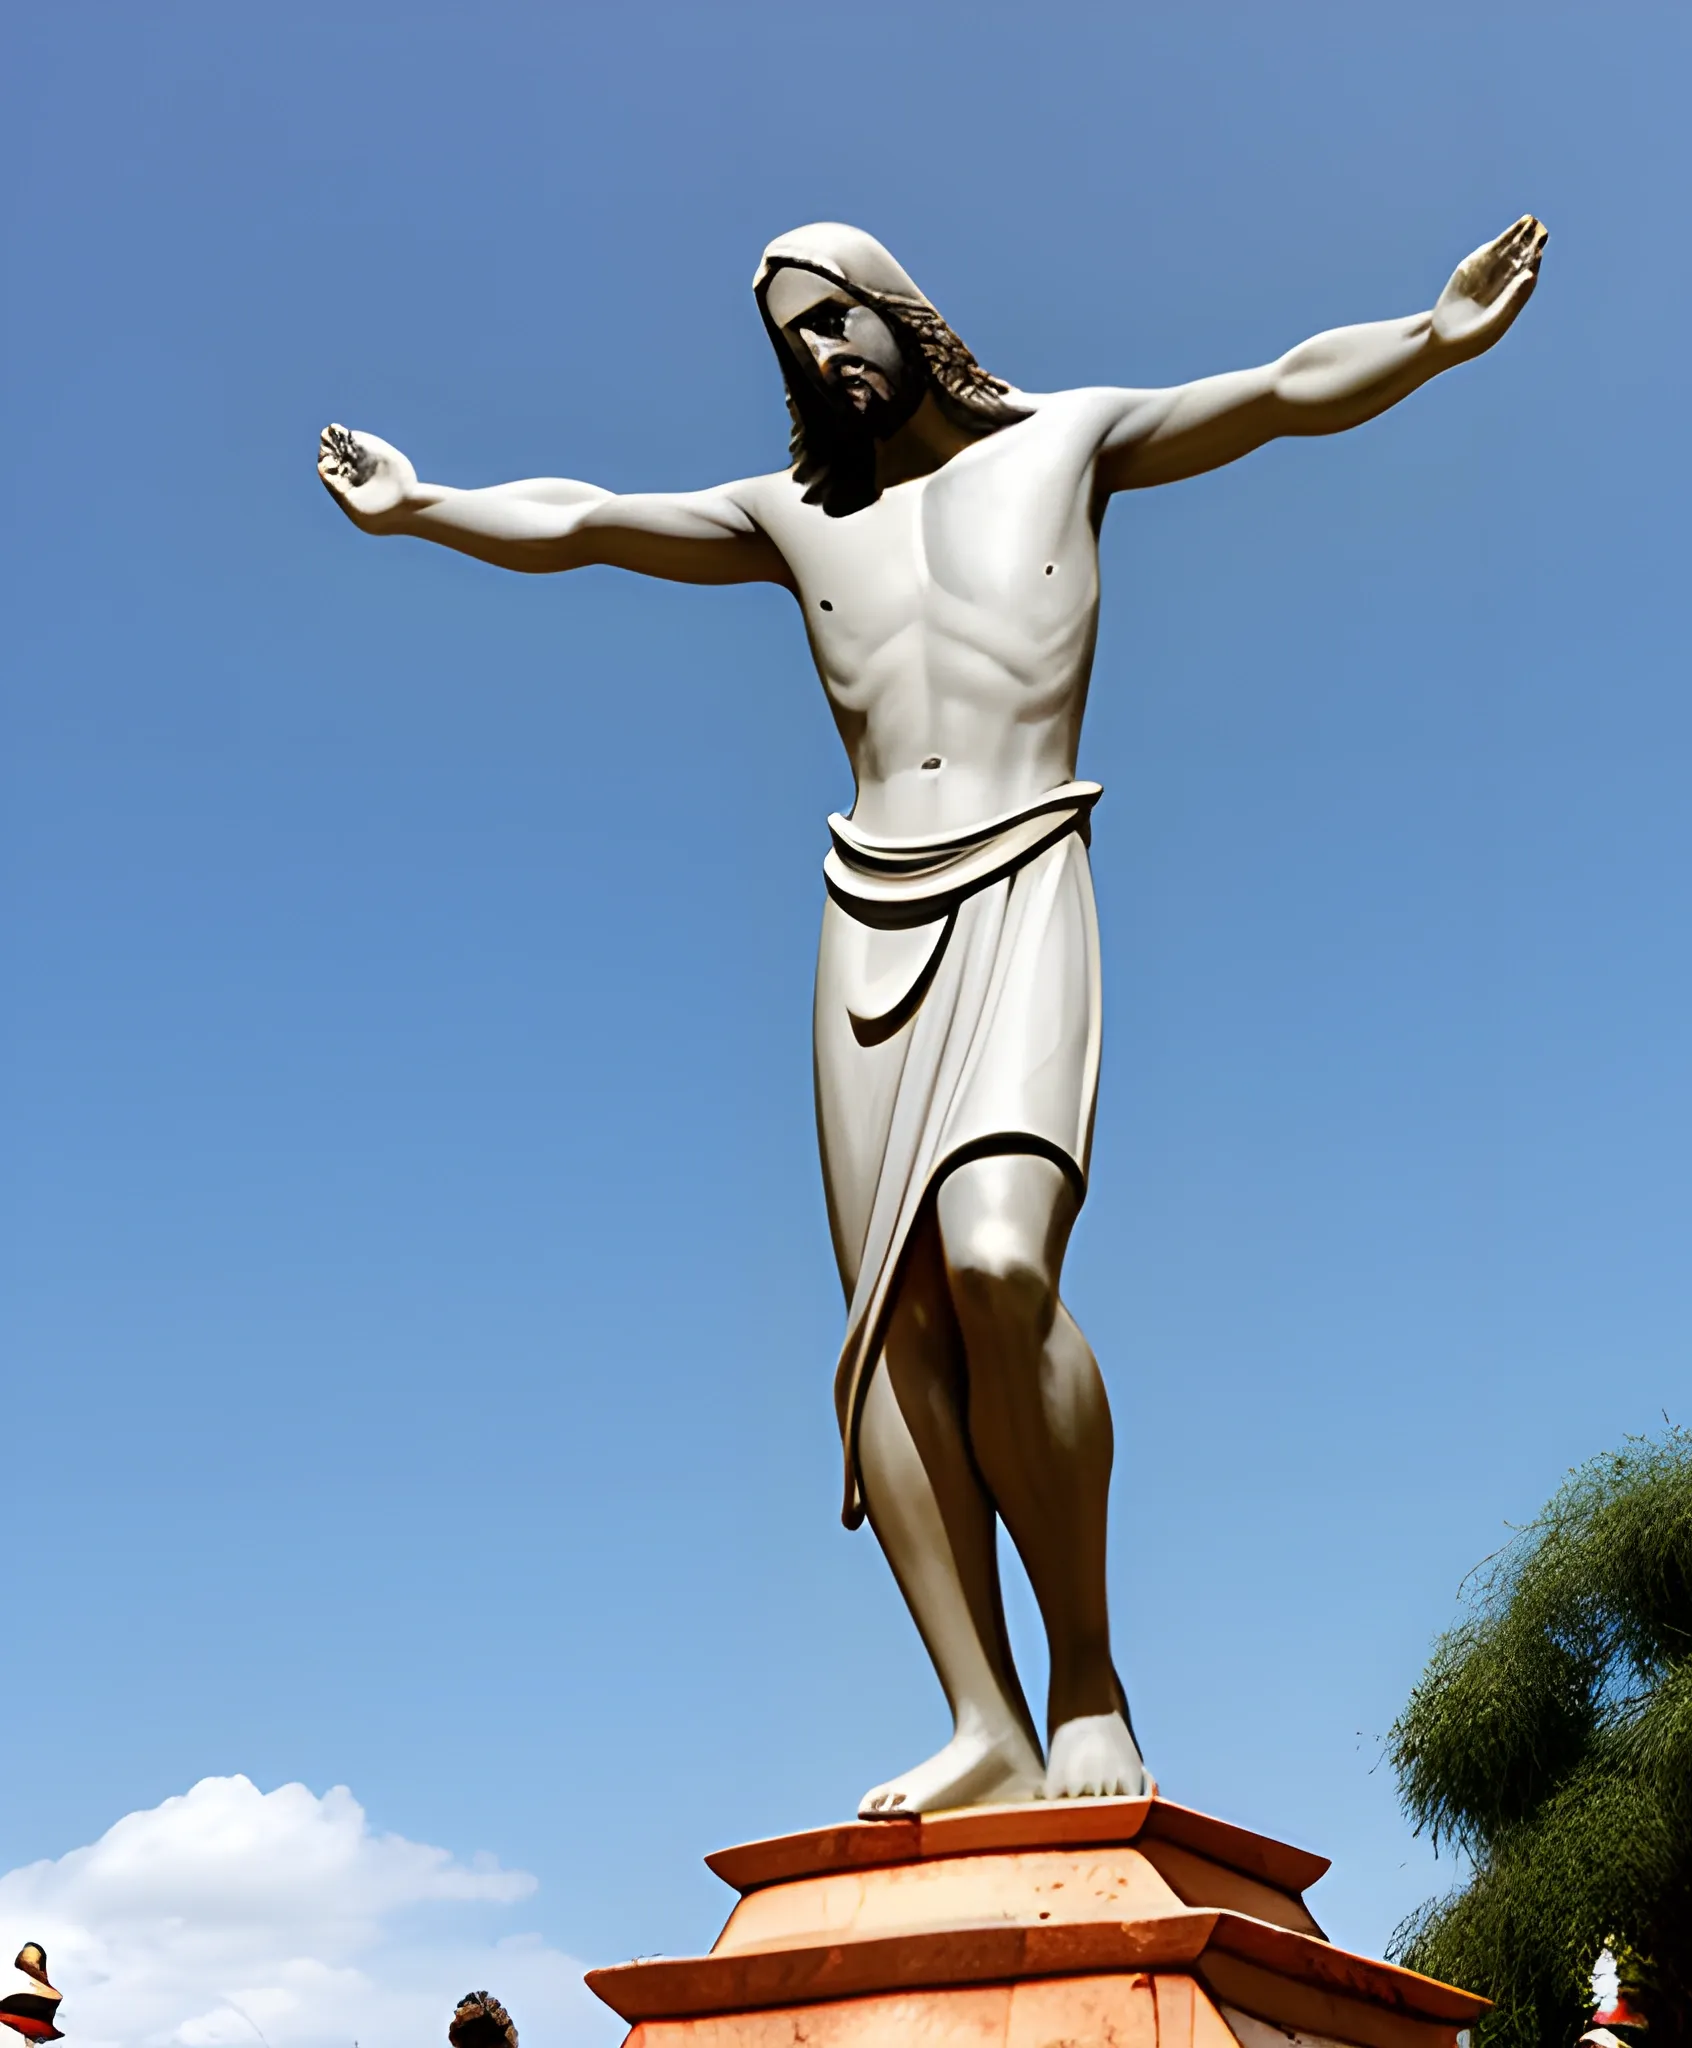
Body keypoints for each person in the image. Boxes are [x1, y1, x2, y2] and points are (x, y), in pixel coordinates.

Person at [318, 214, 1545, 1814]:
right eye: (785, 339)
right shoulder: (792, 516)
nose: (815, 352)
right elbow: (592, 520)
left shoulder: (1069, 440)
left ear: (904, 309)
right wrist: (426, 511)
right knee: (889, 1328)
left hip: (1026, 871)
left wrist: (1434, 335)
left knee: (994, 1263)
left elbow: (1285, 386)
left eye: (833, 315)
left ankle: (1086, 1671)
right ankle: (984, 1723)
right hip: (864, 910)